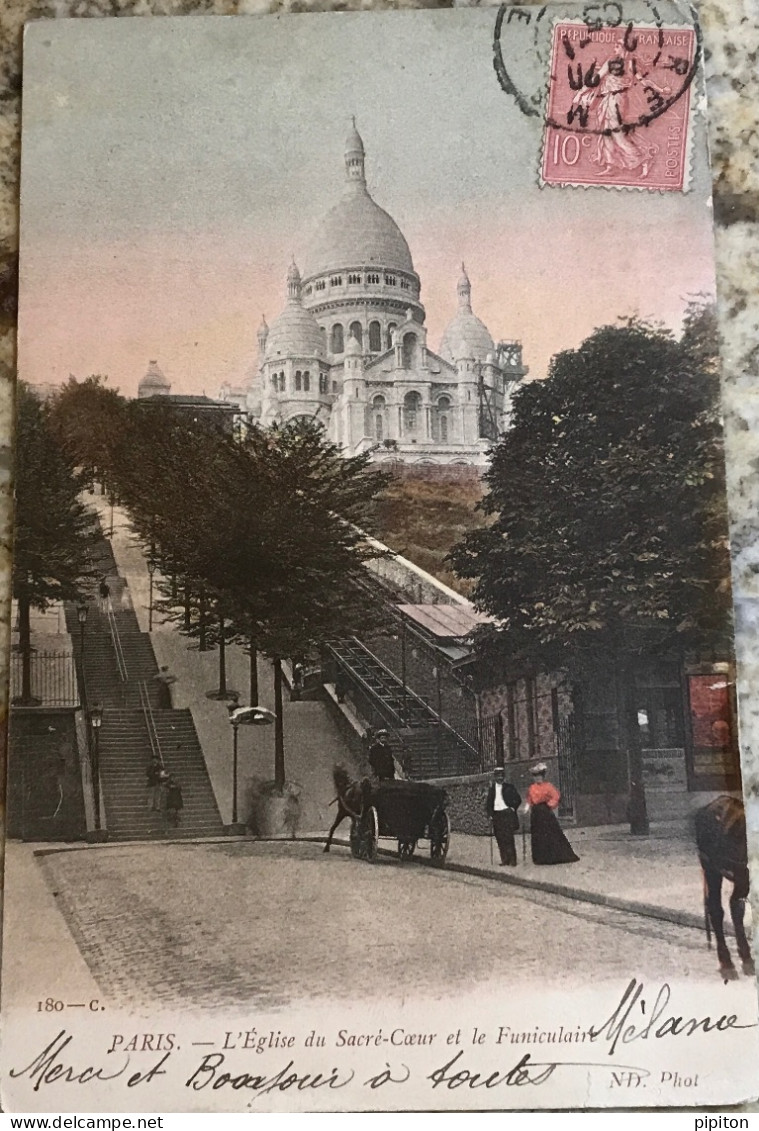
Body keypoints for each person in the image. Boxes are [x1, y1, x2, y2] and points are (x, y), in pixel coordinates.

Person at [525, 762, 579, 865]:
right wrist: (527, 808)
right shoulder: (532, 788)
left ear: (543, 777)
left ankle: (554, 857)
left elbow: (556, 796)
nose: (538, 779)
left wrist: (549, 805)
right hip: (536, 813)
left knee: (550, 833)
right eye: (536, 777)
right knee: (538, 834)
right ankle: (541, 858)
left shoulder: (548, 786)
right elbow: (529, 799)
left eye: (539, 776)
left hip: (545, 812)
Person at [486, 766, 521, 866]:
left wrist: (512, 808)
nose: (500, 778)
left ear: (504, 777)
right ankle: (505, 859)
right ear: (495, 777)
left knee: (509, 837)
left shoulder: (509, 787)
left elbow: (518, 799)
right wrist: (490, 815)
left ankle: (513, 860)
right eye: (498, 776)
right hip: (497, 815)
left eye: (501, 776)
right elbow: (489, 803)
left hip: (507, 814)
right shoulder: (492, 789)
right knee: (500, 838)